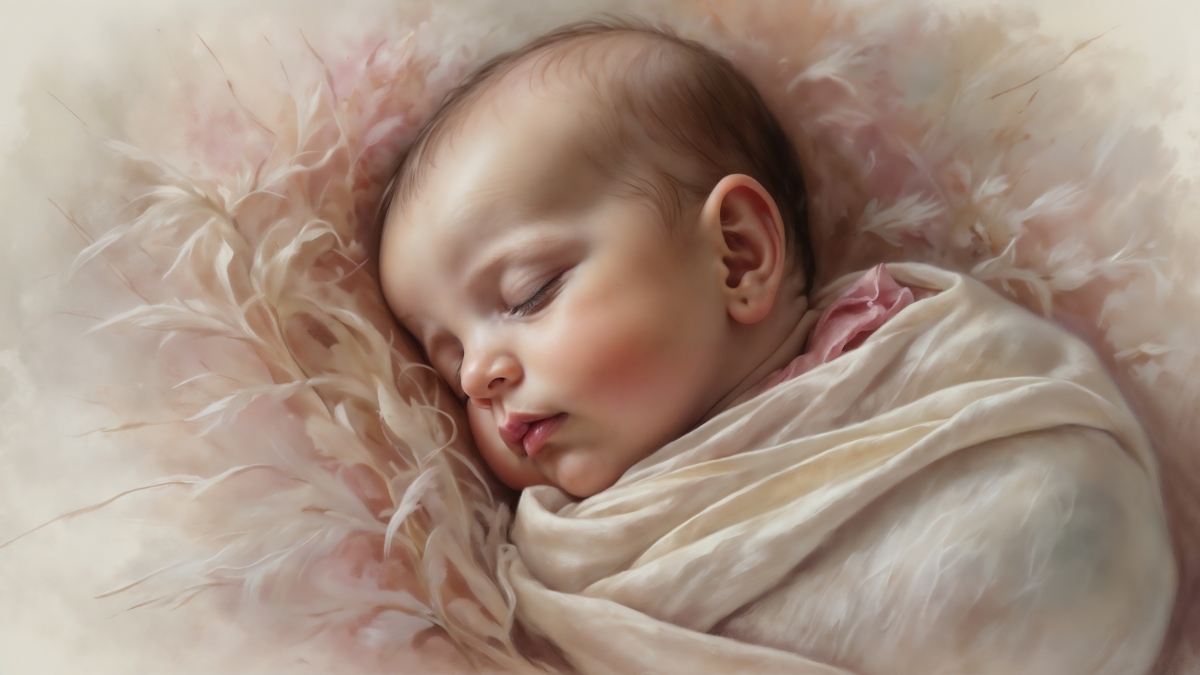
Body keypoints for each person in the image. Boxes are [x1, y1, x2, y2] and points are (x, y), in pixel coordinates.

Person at [378, 21, 1175, 675]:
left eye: (528, 294)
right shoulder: (590, 551)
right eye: (450, 364)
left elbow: (1053, 468)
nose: (481, 372)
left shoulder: (914, 353)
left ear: (738, 255)